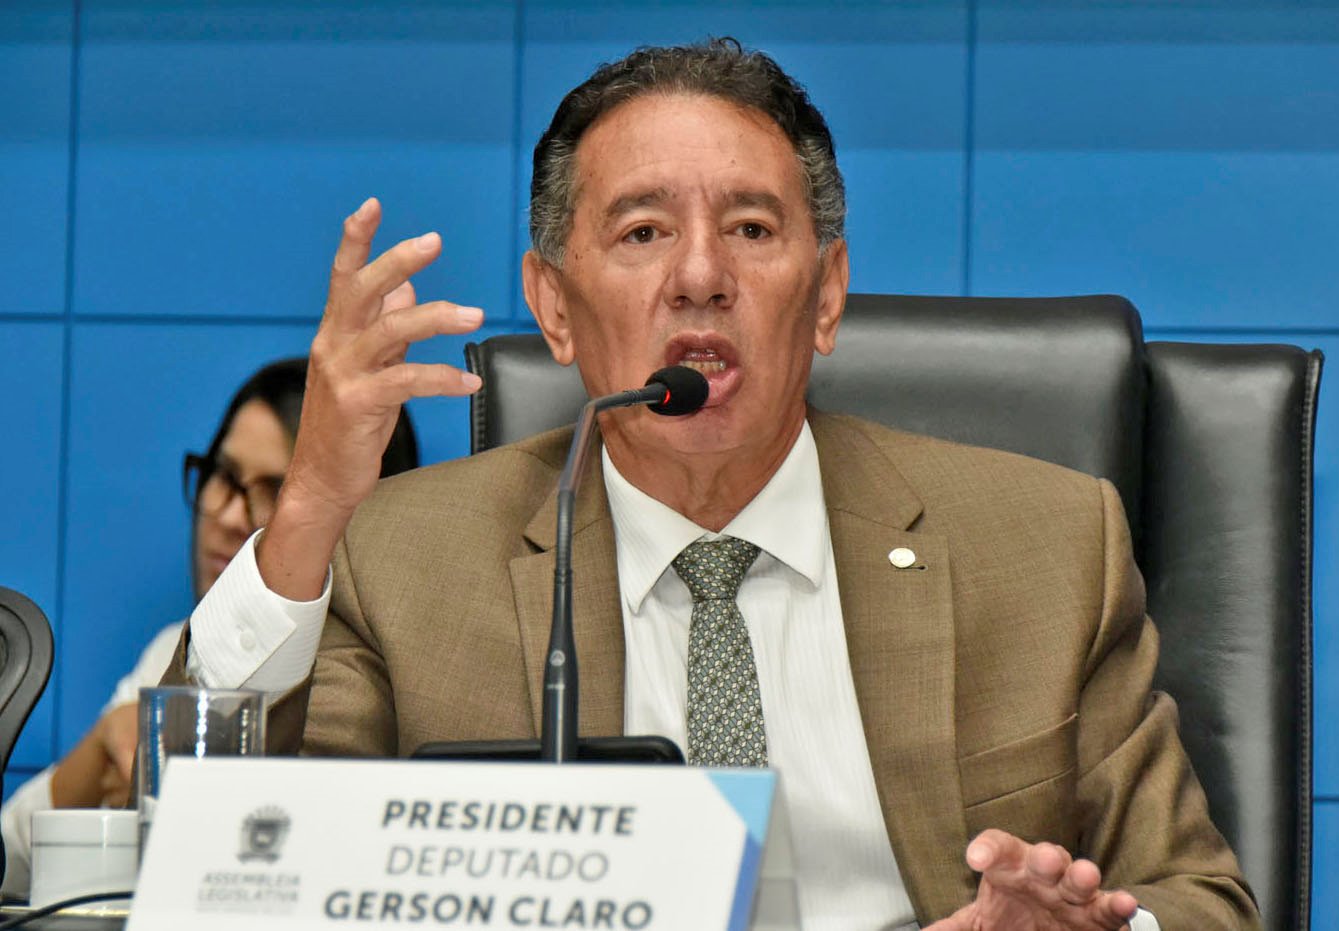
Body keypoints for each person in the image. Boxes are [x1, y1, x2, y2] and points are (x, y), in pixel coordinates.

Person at [172, 41, 1260, 930]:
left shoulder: (1045, 547)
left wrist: (1090, 929)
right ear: (551, 307)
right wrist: (308, 510)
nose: (700, 275)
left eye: (750, 228)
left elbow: (1200, 900)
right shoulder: (405, 558)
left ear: (826, 295)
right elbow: (218, 847)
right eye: (642, 231)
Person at [0, 357, 418, 898]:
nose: (228, 516)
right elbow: (11, 864)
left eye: (278, 489)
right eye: (224, 475)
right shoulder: (177, 651)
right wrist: (102, 750)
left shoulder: (389, 681)